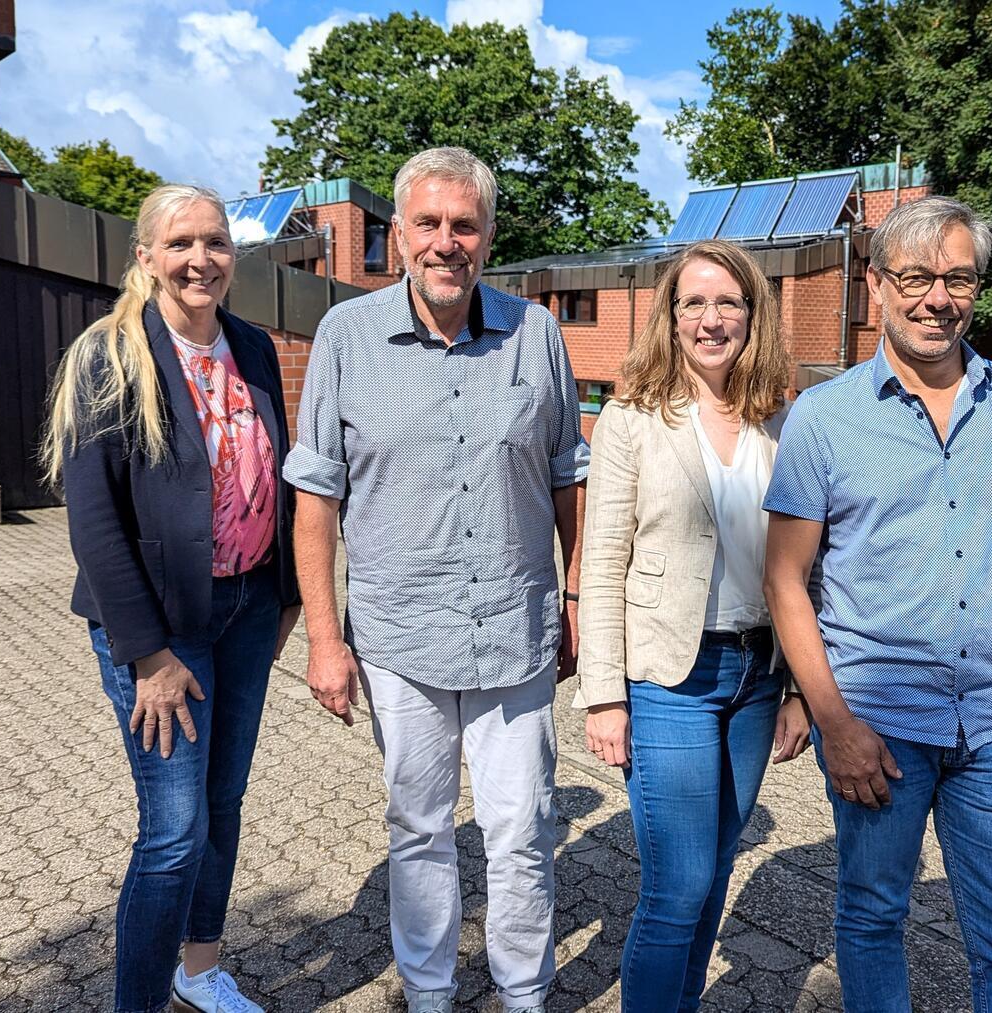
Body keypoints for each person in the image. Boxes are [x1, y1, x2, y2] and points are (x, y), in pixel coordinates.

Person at [763, 195, 992, 1011]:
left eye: (957, 278)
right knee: (874, 916)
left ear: (977, 288)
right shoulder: (824, 418)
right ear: (876, 283)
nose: (936, 298)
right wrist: (834, 721)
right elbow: (785, 579)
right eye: (914, 276)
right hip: (879, 724)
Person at [283, 147, 589, 1013]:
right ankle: (428, 992)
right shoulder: (346, 337)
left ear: (488, 236)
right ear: (399, 235)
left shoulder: (538, 333)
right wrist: (325, 641)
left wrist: (577, 603)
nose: (446, 241)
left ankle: (524, 992)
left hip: (516, 630)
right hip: (398, 638)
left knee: (522, 829)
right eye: (428, 223)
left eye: (464, 224)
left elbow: (569, 477)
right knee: (418, 829)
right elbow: (315, 499)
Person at [43, 184, 301, 1013]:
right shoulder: (108, 356)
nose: (202, 260)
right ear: (146, 256)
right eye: (182, 243)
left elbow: (281, 475)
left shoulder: (254, 348)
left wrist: (289, 593)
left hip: (249, 610)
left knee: (223, 803)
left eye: (217, 243)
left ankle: (200, 968)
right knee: (172, 830)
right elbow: (94, 521)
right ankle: (140, 1002)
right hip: (164, 631)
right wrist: (149, 657)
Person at [576, 239, 812, 1012]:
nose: (712, 320)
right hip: (668, 678)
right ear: (671, 317)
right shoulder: (631, 419)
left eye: (728, 303)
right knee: (676, 885)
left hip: (756, 677)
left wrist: (803, 690)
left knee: (713, 872)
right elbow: (601, 561)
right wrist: (604, 695)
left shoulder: (781, 423)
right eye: (694, 303)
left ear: (753, 313)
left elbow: (812, 566)